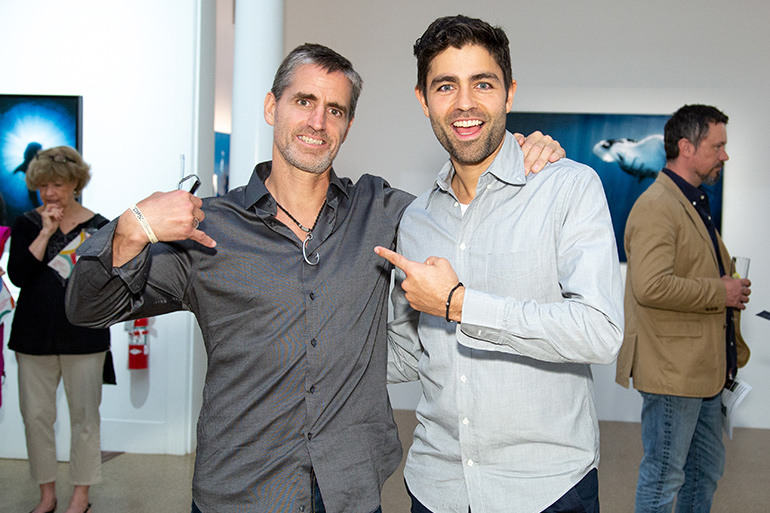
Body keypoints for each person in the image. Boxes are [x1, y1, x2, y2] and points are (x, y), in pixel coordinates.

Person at [64, 43, 564, 513]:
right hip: (241, 489)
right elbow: (86, 309)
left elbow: (464, 208)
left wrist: (515, 151)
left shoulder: (381, 211)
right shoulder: (207, 228)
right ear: (270, 107)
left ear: (347, 126)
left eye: (336, 109)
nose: (318, 121)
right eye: (304, 100)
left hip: (350, 488)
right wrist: (132, 228)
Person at [375, 15, 624, 513]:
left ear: (508, 93)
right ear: (423, 99)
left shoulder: (569, 188)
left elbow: (601, 331)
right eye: (445, 86)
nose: (464, 103)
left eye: (482, 84)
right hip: (436, 485)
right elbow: (407, 354)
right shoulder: (415, 218)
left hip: (546, 489)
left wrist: (461, 304)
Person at [615, 104, 751, 512]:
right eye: (718, 146)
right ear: (687, 147)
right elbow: (650, 286)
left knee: (704, 471)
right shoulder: (657, 206)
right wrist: (719, 291)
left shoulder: (691, 201)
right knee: (664, 476)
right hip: (675, 372)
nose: (724, 155)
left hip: (703, 371)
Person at [8, 146, 110, 513]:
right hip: (32, 337)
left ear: (75, 184)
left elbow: (107, 284)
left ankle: (80, 496)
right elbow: (19, 276)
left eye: (58, 184)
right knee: (36, 418)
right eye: (44, 186)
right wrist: (46, 232)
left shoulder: (99, 226)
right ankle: (47, 494)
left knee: (85, 418)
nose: (51, 193)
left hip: (85, 336)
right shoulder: (26, 224)